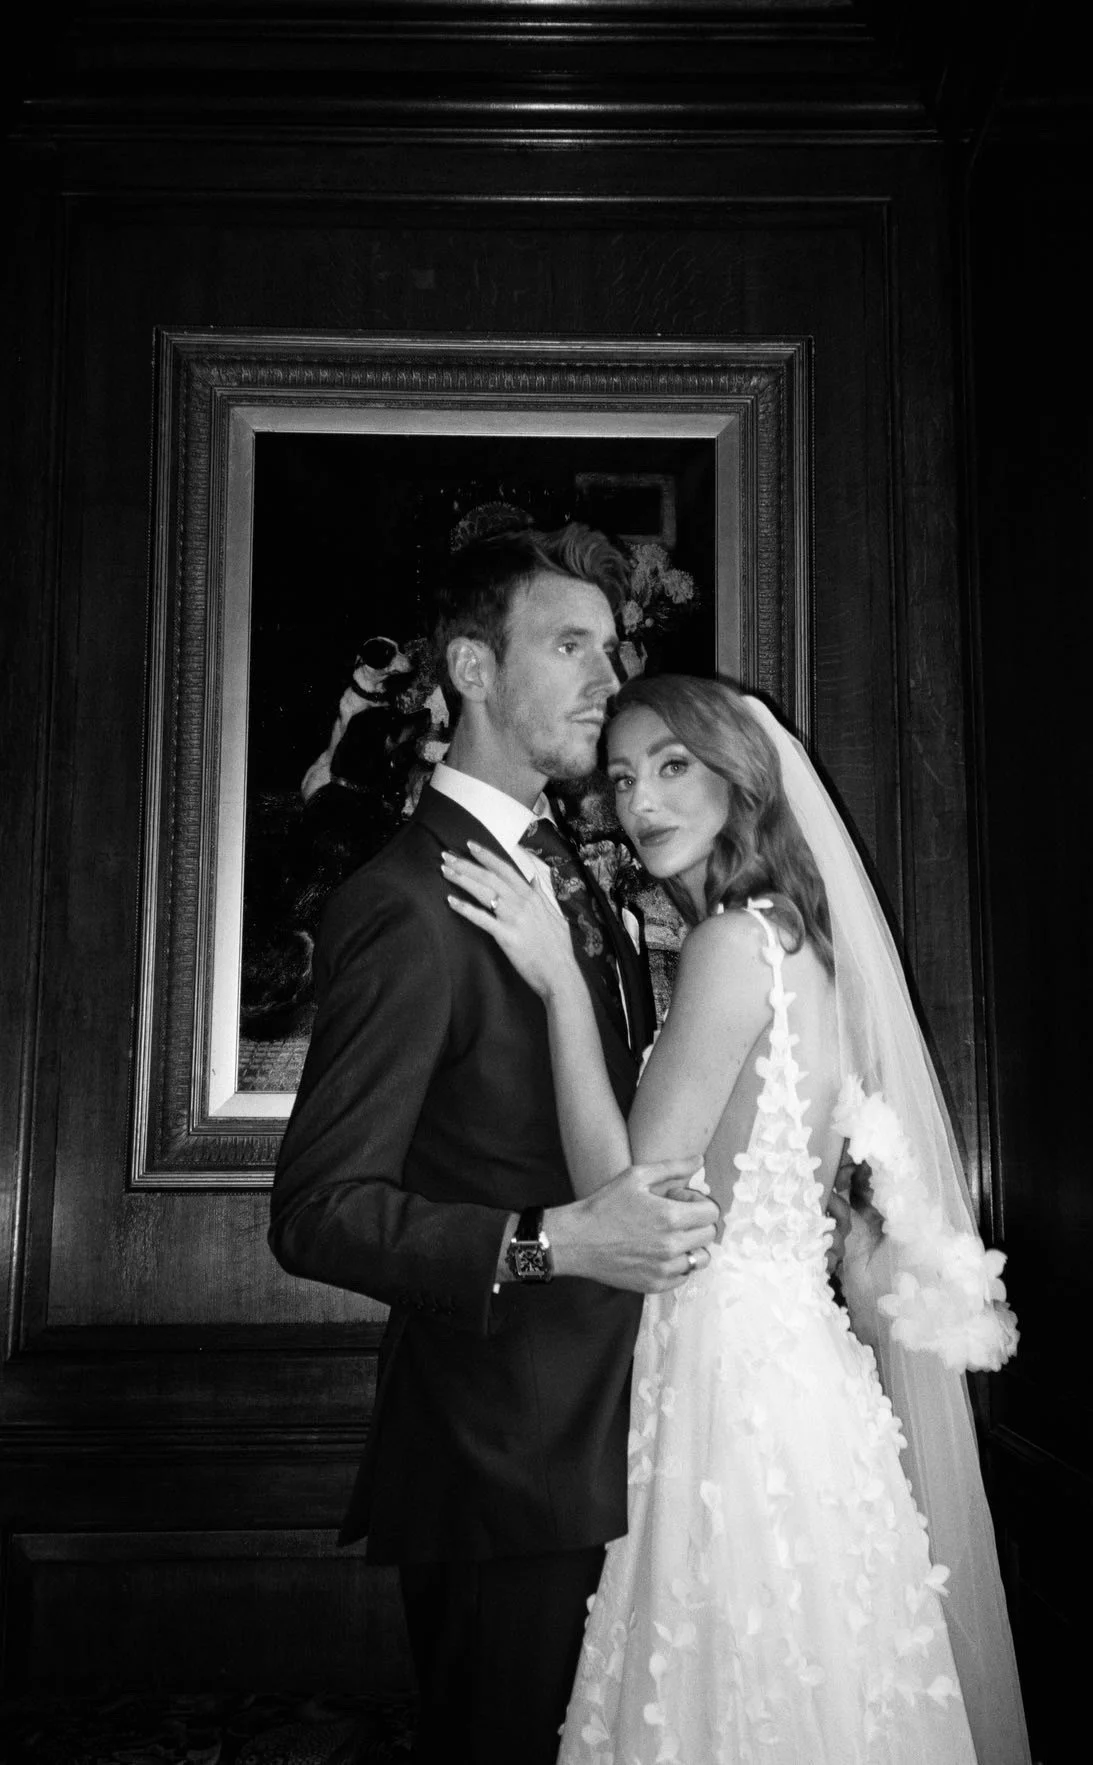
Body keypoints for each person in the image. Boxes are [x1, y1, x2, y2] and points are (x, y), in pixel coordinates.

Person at [444, 673, 1032, 1765]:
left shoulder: (730, 944)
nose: (641, 801)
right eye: (622, 777)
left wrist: (563, 986)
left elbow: (629, 1192)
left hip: (728, 1379)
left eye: (674, 767)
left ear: (741, 779)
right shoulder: (806, 944)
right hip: (799, 1370)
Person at [267, 526, 724, 1765]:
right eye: (569, 644)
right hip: (504, 1467)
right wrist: (551, 1241)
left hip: (635, 1431)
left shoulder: (574, 865)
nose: (606, 675)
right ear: (471, 668)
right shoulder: (403, 903)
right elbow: (316, 1211)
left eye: (611, 646)